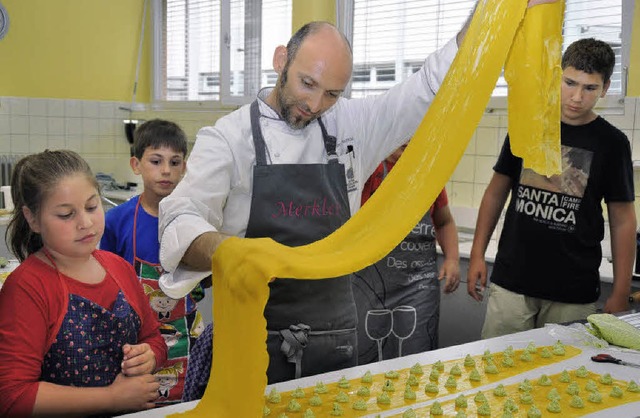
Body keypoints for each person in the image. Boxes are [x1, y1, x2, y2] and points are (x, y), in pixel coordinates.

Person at [158, 1, 547, 384]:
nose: (314, 104)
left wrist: (494, 11)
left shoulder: (350, 126)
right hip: (253, 337)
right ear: (281, 60)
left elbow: (430, 85)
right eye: (306, 84)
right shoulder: (227, 138)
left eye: (332, 94)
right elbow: (181, 217)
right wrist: (230, 249)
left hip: (337, 335)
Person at [467, 38, 637, 339]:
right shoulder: (528, 126)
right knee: (499, 378)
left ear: (606, 88)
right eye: (570, 83)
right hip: (512, 283)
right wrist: (477, 253)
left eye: (589, 88)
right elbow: (496, 192)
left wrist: (621, 291)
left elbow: (623, 219)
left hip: (573, 292)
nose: (576, 97)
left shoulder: (612, 143)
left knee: (561, 377)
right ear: (558, 76)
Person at [0, 150, 167, 417]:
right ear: (33, 219)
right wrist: (112, 397)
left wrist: (149, 356)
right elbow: (13, 397)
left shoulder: (119, 268)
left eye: (92, 206)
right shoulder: (27, 287)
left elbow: (153, 338)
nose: (86, 223)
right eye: (66, 214)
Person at [100, 119, 205, 405]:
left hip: (186, 331)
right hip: (136, 336)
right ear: (136, 165)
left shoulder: (197, 219)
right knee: (141, 404)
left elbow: (209, 273)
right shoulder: (116, 220)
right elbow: (105, 280)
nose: (166, 171)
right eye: (156, 161)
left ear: (184, 167)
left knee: (191, 401)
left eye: (175, 162)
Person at [352, 144, 460, 364]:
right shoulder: (369, 170)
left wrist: (452, 258)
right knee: (366, 359)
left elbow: (444, 221)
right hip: (369, 286)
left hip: (417, 287)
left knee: (415, 360)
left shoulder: (430, 174)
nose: (406, 143)